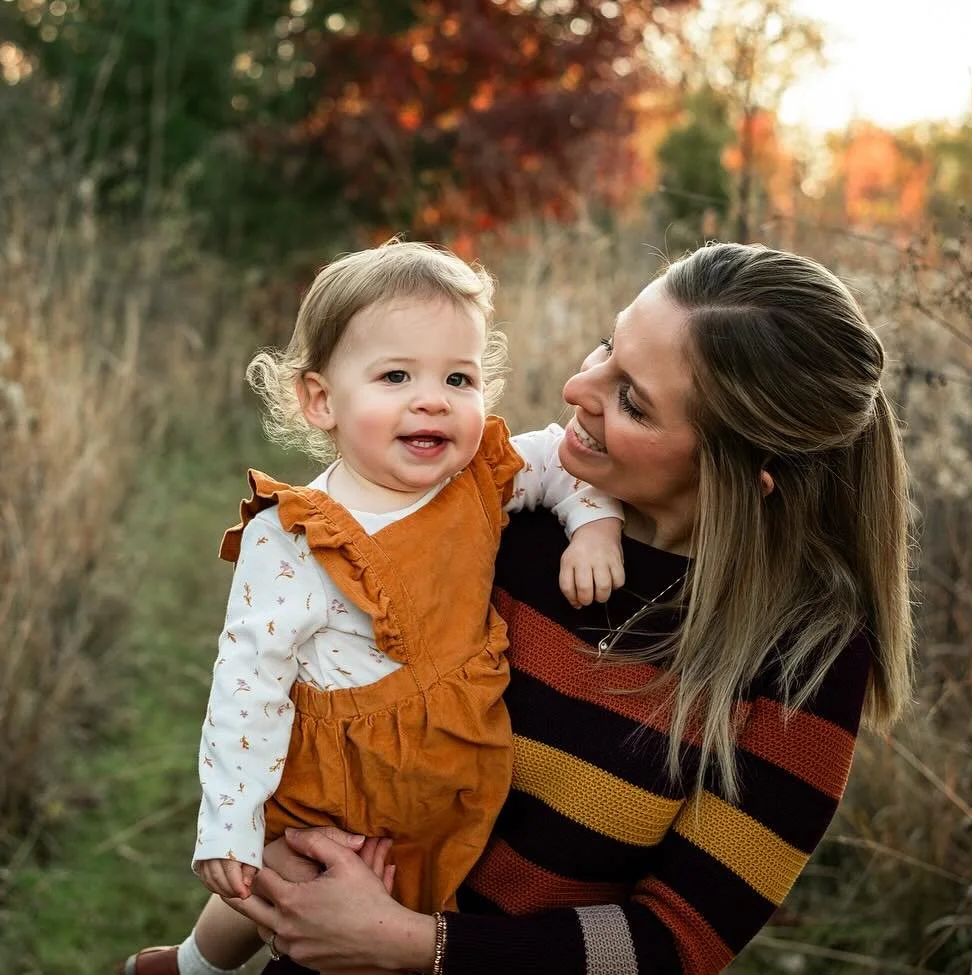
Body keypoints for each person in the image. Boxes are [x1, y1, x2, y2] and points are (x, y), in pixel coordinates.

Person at [214, 240, 916, 974]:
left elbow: (675, 943)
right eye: (608, 345)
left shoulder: (806, 661)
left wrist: (413, 945)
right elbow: (318, 705)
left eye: (633, 400)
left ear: (740, 474)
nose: (579, 386)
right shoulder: (506, 525)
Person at [125, 241, 628, 975]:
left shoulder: (476, 479)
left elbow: (556, 459)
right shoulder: (297, 536)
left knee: (426, 895)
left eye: (458, 377)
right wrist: (229, 821)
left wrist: (594, 522)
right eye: (396, 375)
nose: (432, 398)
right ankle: (192, 966)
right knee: (289, 879)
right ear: (321, 399)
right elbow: (247, 683)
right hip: (344, 782)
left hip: (456, 761)